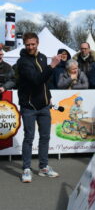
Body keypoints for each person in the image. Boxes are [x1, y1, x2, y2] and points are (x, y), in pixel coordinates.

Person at [17, 32, 61, 183]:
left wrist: (48, 97)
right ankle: (26, 169)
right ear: (24, 44)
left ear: (37, 43)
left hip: (44, 106)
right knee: (29, 137)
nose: (30, 47)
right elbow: (36, 80)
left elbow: (45, 82)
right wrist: (52, 66)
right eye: (27, 44)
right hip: (29, 106)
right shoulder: (22, 62)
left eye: (33, 44)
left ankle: (43, 167)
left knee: (45, 137)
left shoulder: (42, 57)